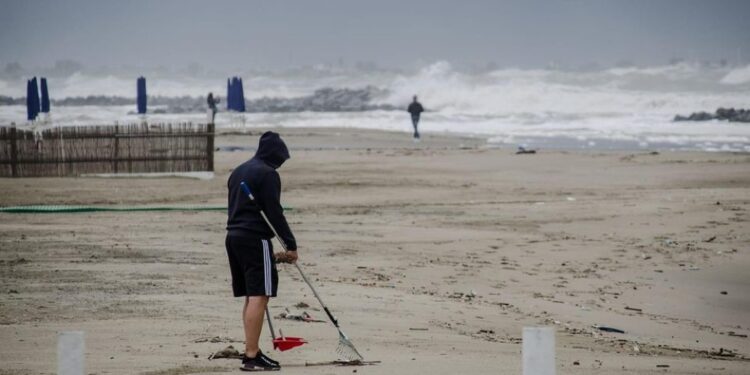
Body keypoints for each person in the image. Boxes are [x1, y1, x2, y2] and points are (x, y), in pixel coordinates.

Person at [226, 131, 298, 371]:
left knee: (251, 294)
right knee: (260, 295)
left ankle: (251, 350)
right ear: (275, 155)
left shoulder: (238, 171)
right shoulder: (268, 174)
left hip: (233, 237)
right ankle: (252, 354)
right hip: (255, 239)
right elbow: (274, 212)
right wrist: (290, 245)